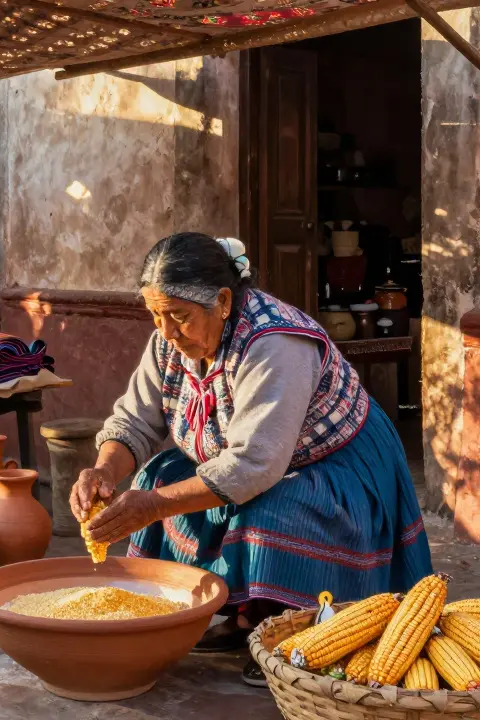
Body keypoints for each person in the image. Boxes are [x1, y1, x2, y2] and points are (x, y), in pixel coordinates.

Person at [72, 232, 432, 686]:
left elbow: (253, 466)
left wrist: (155, 506)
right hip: (253, 461)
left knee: (270, 510)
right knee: (156, 477)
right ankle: (246, 614)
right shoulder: (170, 340)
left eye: (179, 317)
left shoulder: (276, 342)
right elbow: (135, 422)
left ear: (222, 301)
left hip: (333, 463)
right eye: (155, 315)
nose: (166, 331)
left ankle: (289, 628)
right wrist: (104, 470)